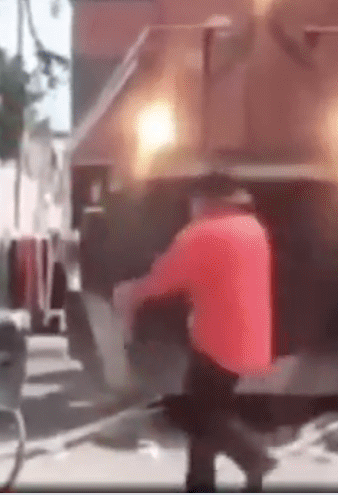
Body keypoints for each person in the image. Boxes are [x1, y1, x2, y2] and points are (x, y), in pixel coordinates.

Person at [113, 171, 276, 492]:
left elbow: (163, 279)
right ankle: (201, 484)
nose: (192, 206)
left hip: (217, 340)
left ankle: (254, 457)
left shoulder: (203, 233)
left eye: (195, 200)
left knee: (202, 412)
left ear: (206, 201)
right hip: (251, 336)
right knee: (213, 412)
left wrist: (129, 293)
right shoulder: (252, 229)